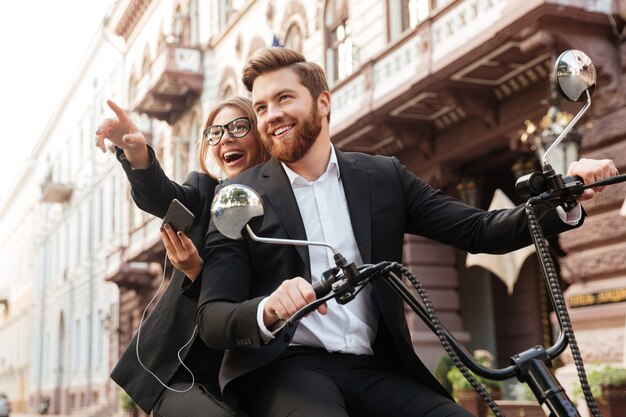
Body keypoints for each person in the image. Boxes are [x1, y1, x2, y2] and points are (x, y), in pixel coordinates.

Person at [195, 47, 619, 417]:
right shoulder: (238, 196)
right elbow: (213, 318)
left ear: (323, 102)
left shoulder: (382, 176)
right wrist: (268, 309)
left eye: (284, 98)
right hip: (287, 367)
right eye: (262, 106)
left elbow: (480, 230)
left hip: (376, 366)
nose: (271, 116)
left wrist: (566, 198)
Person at [94, 96, 269, 417]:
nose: (225, 138)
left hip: (246, 375)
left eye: (238, 127)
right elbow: (159, 194)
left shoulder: (283, 208)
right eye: (214, 133)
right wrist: (136, 153)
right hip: (177, 368)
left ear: (261, 134)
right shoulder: (204, 192)